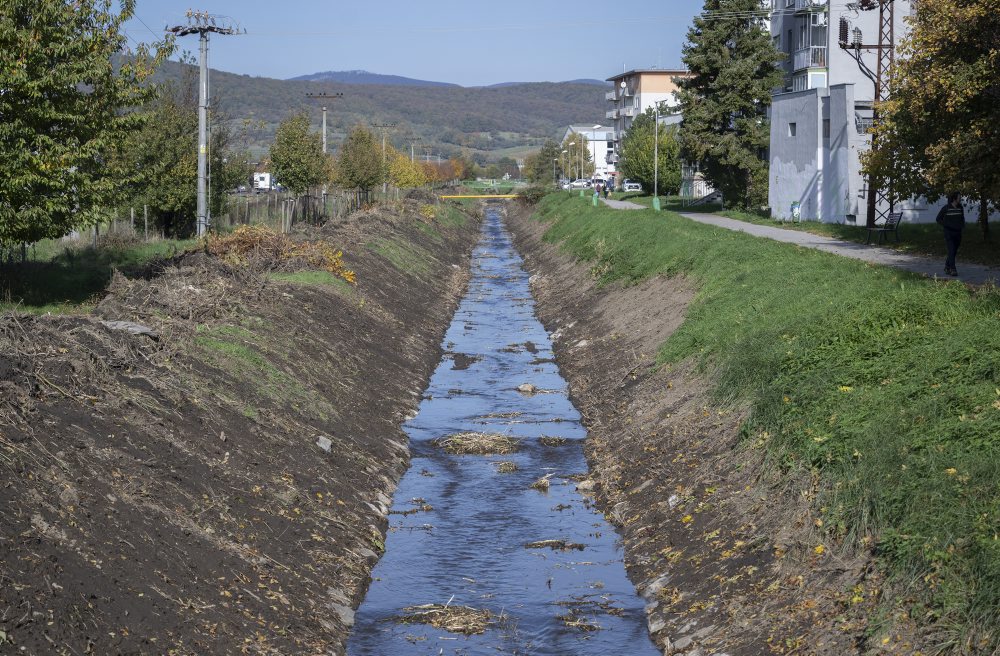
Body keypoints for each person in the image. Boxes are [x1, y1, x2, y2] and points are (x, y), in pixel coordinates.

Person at [936, 192, 966, 276]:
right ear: (954, 198)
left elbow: (962, 218)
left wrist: (962, 225)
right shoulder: (946, 208)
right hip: (949, 233)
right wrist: (947, 225)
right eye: (959, 197)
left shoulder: (960, 208)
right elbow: (938, 219)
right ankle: (953, 269)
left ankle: (947, 266)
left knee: (954, 251)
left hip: (958, 233)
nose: (960, 198)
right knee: (951, 250)